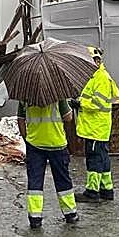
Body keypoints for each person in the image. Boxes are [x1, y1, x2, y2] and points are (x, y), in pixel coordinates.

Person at [16, 97, 79, 228]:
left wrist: (26, 139)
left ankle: (35, 218)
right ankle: (70, 214)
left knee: (35, 182)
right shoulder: (57, 96)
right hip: (57, 144)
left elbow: (20, 120)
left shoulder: (25, 97)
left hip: (34, 144)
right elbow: (68, 118)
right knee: (62, 180)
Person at [76, 47, 119, 202]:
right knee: (102, 158)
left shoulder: (100, 77)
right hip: (97, 127)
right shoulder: (96, 76)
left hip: (95, 128)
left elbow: (99, 103)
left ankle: (92, 192)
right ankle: (106, 189)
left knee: (94, 159)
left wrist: (79, 103)